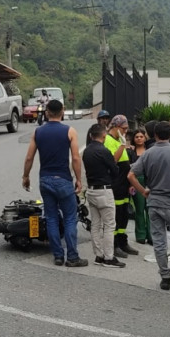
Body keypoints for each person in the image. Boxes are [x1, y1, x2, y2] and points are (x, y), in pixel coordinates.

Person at [128, 121, 170, 293]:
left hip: (154, 203)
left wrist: (143, 191)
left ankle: (165, 278)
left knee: (159, 243)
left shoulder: (148, 154)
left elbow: (131, 175)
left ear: (154, 135)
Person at [22, 99, 88, 267]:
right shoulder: (70, 131)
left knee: (51, 217)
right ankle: (72, 257)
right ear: (63, 111)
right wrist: (79, 179)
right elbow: (75, 157)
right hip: (63, 180)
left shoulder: (38, 132)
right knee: (70, 218)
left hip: (45, 180)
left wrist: (26, 176)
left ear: (47, 112)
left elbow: (29, 157)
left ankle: (58, 256)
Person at [81, 123, 123, 267]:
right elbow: (115, 170)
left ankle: (98, 255)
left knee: (96, 225)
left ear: (91, 136)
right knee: (109, 225)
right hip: (104, 190)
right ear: (104, 135)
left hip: (91, 190)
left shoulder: (86, 151)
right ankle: (109, 257)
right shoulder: (104, 151)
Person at [104, 114, 139, 258]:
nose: (126, 131)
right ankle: (114, 244)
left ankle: (123, 242)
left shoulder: (119, 140)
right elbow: (113, 161)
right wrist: (122, 145)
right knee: (116, 215)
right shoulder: (108, 140)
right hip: (115, 183)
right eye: (124, 128)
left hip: (124, 184)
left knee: (124, 214)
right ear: (116, 127)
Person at [128, 128, 151, 245]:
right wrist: (131, 184)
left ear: (145, 138)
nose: (139, 138)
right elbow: (129, 170)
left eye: (141, 136)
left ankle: (151, 236)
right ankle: (141, 235)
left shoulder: (150, 150)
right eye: (136, 137)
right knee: (139, 209)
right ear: (133, 139)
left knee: (150, 209)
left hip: (149, 182)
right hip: (136, 181)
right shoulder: (130, 152)